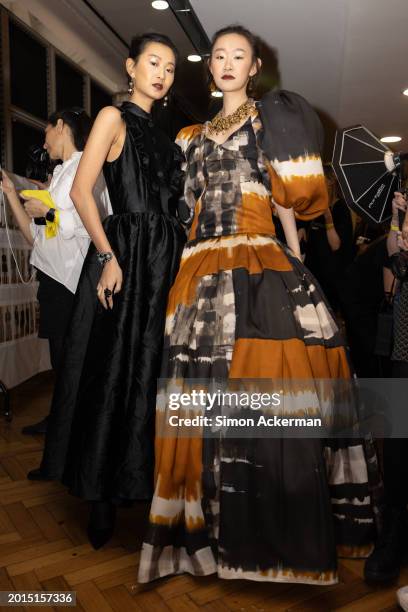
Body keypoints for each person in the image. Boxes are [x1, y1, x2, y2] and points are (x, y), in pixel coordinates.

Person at [138, 25, 380, 585]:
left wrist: (299, 264)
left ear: (254, 68)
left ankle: (264, 531)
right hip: (197, 269)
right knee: (197, 399)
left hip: (258, 259)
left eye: (238, 56)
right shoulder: (188, 137)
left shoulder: (271, 120)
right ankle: (206, 533)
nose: (226, 62)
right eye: (218, 55)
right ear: (212, 67)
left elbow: (286, 203)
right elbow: (184, 211)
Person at [27, 32, 185, 549]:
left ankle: (142, 482)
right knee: (114, 369)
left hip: (167, 261)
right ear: (131, 67)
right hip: (125, 256)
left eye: (170, 67)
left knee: (152, 373)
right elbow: (79, 190)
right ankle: (101, 496)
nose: (161, 73)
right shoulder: (113, 119)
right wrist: (107, 256)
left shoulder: (169, 140)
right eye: (152, 63)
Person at [1, 108, 110, 434]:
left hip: (72, 280)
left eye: (46, 131)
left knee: (72, 359)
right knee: (61, 360)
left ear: (61, 126)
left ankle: (74, 428)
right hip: (52, 277)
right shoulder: (61, 174)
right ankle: (63, 423)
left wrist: (48, 210)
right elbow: (37, 238)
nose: (44, 143)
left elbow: (86, 227)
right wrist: (11, 195)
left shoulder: (86, 169)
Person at [365, 191, 408, 587]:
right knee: (396, 443)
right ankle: (393, 531)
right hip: (405, 343)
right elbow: (392, 267)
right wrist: (397, 219)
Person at [304, 165, 354, 313]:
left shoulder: (340, 209)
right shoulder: (315, 207)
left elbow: (336, 245)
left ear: (330, 182)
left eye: (320, 180)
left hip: (330, 281)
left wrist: (328, 218)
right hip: (312, 274)